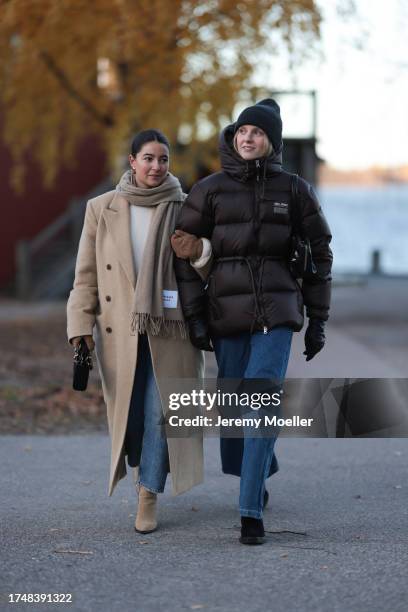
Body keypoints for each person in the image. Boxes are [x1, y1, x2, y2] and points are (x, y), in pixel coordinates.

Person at [171, 99, 333, 545]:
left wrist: (317, 320)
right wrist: (195, 315)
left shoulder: (295, 189)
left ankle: (249, 515)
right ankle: (260, 472)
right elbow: (183, 252)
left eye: (257, 133)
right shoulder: (209, 189)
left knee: (261, 402)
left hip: (277, 314)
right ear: (233, 135)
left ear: (272, 142)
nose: (248, 138)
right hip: (227, 312)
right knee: (235, 411)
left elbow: (320, 255)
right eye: (242, 130)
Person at [67, 129, 204, 535]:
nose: (156, 167)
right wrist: (80, 327)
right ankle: (141, 468)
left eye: (163, 159)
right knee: (134, 418)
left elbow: (207, 270)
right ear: (132, 161)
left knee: (161, 412)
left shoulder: (187, 207)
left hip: (171, 329)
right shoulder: (101, 208)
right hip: (120, 331)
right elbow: (86, 275)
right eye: (148, 158)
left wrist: (198, 252)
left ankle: (148, 493)